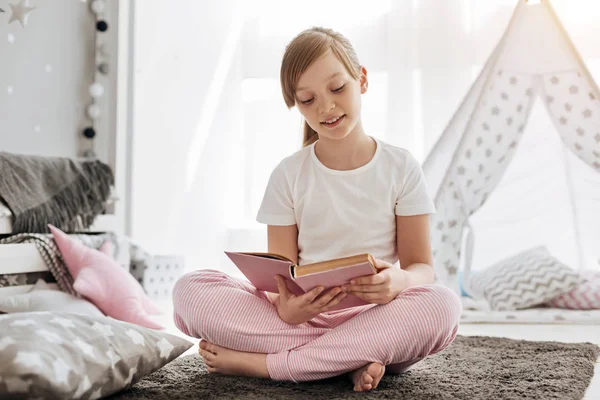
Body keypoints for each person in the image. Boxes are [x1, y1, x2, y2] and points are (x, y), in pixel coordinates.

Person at [172, 27, 462, 392]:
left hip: (376, 317)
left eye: (337, 89)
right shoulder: (289, 174)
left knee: (442, 306)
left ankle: (270, 365)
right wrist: (286, 308)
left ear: (362, 79)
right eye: (307, 100)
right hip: (302, 322)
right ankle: (346, 362)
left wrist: (398, 282)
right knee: (191, 289)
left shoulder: (401, 167)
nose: (325, 107)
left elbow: (422, 269)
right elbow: (280, 276)